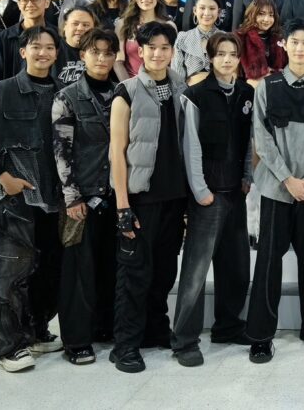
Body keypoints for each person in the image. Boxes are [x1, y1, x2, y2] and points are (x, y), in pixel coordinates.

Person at [0, 25, 63, 372]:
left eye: (49, 47)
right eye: (36, 46)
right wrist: (4, 178)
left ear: (57, 53)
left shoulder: (64, 93)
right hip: (18, 200)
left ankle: (36, 332)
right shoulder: (2, 91)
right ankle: (8, 346)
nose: (43, 52)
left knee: (48, 273)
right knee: (8, 275)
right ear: (23, 52)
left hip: (55, 200)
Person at [246, 18, 304, 363]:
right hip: (277, 189)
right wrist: (288, 179)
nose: (299, 48)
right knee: (268, 264)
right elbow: (262, 139)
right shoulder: (267, 87)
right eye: (294, 42)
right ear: (284, 45)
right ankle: (260, 336)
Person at [108, 22, 187, 373]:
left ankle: (156, 329)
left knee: (165, 272)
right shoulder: (125, 92)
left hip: (174, 197)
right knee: (134, 274)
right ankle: (125, 345)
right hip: (140, 200)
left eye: (164, 47)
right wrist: (122, 205)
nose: (158, 53)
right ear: (139, 51)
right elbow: (116, 150)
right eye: (151, 47)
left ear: (172, 52)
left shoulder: (180, 87)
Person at [170, 32, 253, 367]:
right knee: (195, 272)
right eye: (221, 54)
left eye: (233, 54)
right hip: (208, 196)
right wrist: (200, 190)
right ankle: (184, 340)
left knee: (237, 267)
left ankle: (228, 326)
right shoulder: (195, 95)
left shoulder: (246, 93)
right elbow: (189, 146)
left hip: (236, 192)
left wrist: (247, 176)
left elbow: (249, 141)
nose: (227, 60)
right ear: (210, 57)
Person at [52, 27, 120, 365]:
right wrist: (72, 196)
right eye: (95, 52)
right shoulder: (67, 97)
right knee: (78, 272)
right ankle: (77, 341)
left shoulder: (123, 93)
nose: (102, 59)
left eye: (108, 53)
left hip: (116, 196)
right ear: (82, 55)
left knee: (111, 267)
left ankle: (104, 327)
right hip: (81, 198)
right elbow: (61, 150)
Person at [0, 0, 51, 86]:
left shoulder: (57, 36)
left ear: (47, 3)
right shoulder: (3, 39)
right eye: (24, 0)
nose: (30, 4)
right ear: (18, 4)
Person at [115, 0, 175, 81]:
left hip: (161, 83)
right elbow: (118, 62)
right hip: (132, 82)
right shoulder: (123, 23)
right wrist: (128, 86)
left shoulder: (168, 25)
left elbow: (174, 61)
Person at [236, 0, 287, 86]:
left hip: (277, 87)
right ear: (252, 13)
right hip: (248, 88)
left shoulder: (279, 38)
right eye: (261, 14)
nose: (267, 19)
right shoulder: (239, 38)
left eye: (271, 15)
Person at [173, 0, 222, 86]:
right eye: (202, 8)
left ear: (218, 12)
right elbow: (177, 75)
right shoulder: (183, 38)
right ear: (195, 10)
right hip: (189, 91)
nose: (207, 13)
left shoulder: (226, 38)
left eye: (212, 8)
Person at [55, 5, 99, 86]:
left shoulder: (101, 51)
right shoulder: (53, 48)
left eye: (86, 25)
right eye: (75, 24)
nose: (80, 28)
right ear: (65, 26)